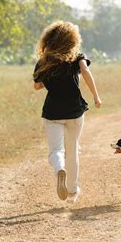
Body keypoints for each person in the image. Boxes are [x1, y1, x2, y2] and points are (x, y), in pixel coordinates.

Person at [33, 21, 101, 203]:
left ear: (49, 40)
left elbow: (37, 86)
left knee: (56, 150)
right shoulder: (77, 57)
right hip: (74, 112)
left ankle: (59, 170)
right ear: (72, 39)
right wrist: (96, 96)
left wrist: (48, 78)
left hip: (52, 112)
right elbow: (85, 71)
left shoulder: (43, 61)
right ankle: (72, 190)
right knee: (72, 151)